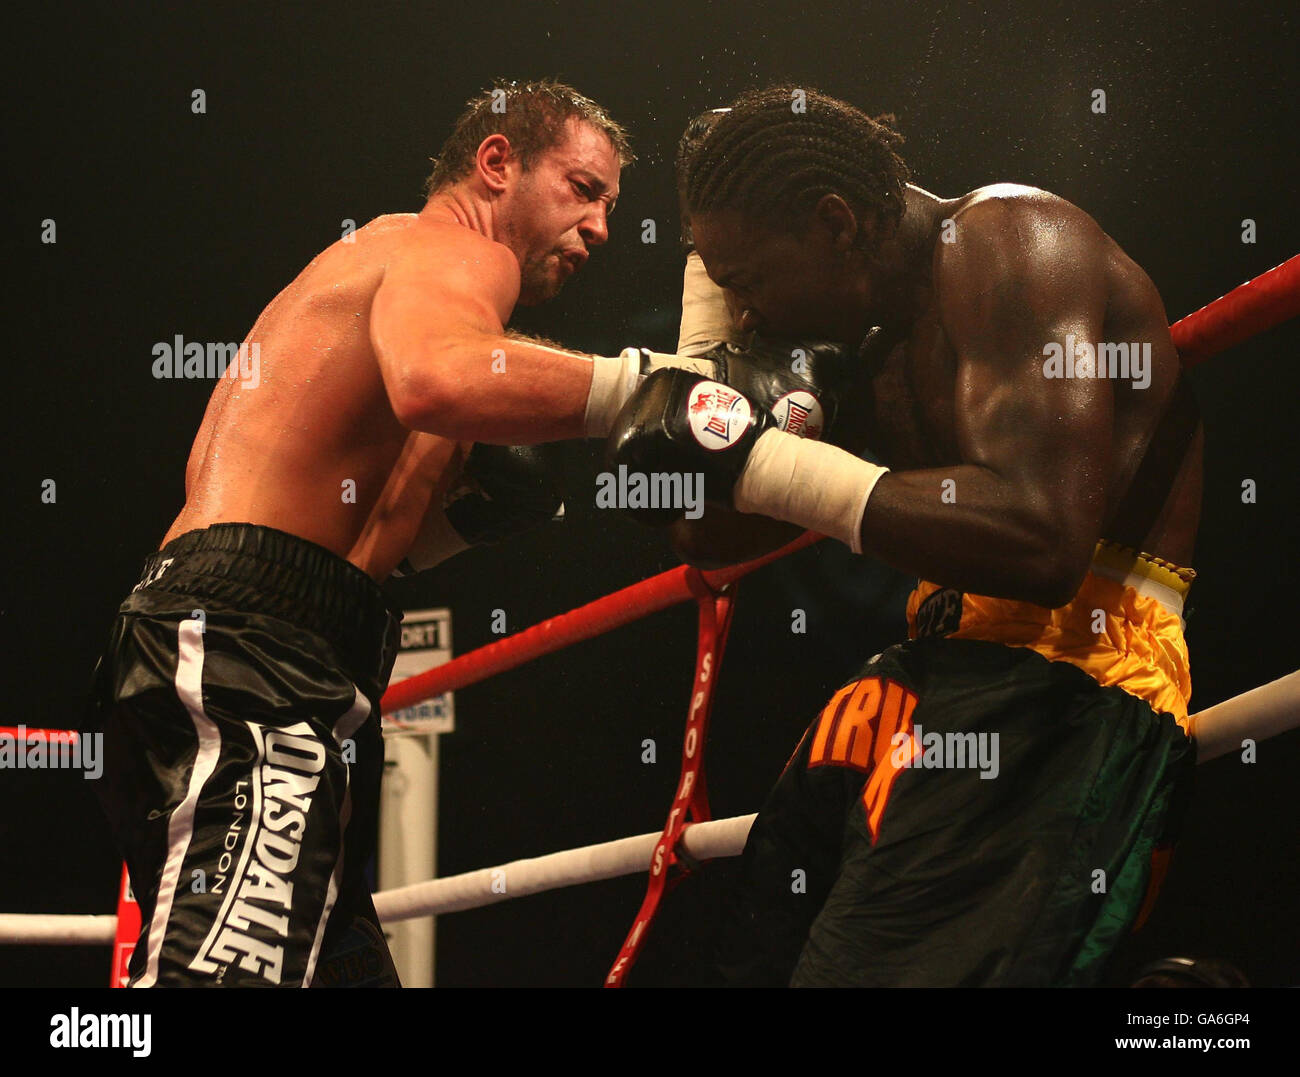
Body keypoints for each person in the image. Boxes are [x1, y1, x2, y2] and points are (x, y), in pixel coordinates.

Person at [610, 86, 1204, 986]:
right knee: (755, 945)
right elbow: (711, 535)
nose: (753, 316)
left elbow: (1042, 539)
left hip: (1071, 677)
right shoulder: (865, 345)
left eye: (753, 283)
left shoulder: (1011, 245)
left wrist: (764, 460)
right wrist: (706, 372)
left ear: (837, 223)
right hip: (930, 677)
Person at [86, 77, 666, 988]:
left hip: (283, 648)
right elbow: (435, 381)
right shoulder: (452, 252)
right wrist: (656, 386)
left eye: (609, 207)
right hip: (250, 654)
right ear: (497, 162)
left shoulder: (408, 291)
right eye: (583, 189)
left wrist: (470, 514)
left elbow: (373, 522)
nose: (600, 227)